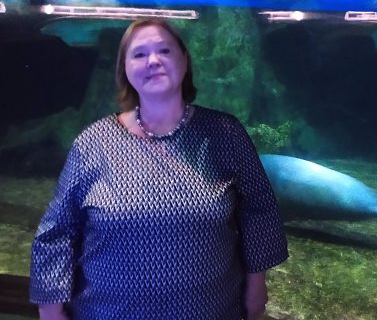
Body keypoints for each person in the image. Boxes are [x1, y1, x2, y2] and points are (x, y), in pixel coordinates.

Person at [29, 17, 289, 320]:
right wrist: (50, 308)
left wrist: (257, 283)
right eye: (139, 54)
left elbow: (259, 209)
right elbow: (57, 230)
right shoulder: (93, 142)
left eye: (164, 50)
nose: (153, 61)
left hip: (210, 310)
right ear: (125, 69)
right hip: (105, 312)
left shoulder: (225, 134)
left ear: (184, 60)